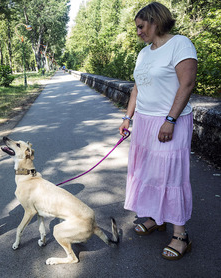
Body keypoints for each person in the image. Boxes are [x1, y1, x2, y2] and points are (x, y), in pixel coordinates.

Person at [119, 2, 197, 260]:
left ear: (155, 21)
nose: (138, 32)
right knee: (149, 171)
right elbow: (137, 88)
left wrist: (170, 120)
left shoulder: (180, 44)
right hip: (144, 121)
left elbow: (186, 85)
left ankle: (180, 234)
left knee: (171, 175)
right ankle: (156, 217)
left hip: (169, 122)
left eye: (141, 26)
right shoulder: (144, 53)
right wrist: (127, 118)